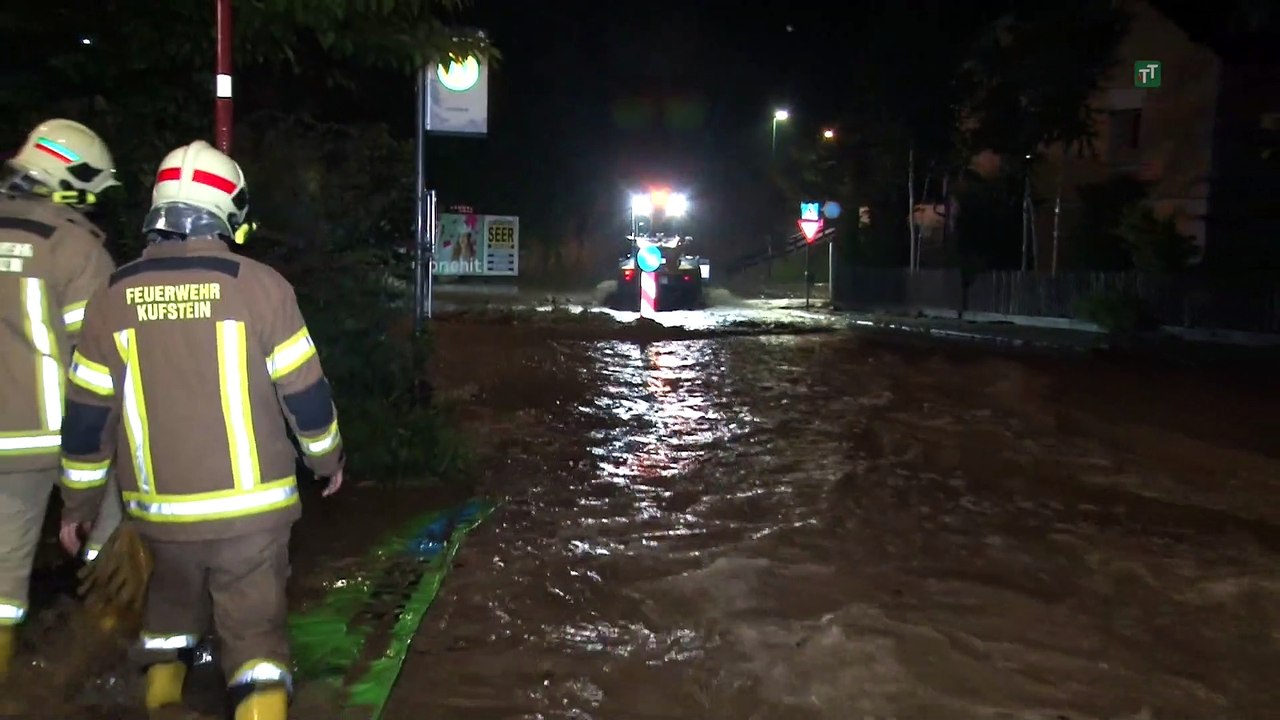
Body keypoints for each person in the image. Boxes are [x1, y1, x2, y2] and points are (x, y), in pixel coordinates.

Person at [57, 139, 345, 720]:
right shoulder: (263, 288)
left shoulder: (111, 299)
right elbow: (306, 397)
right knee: (257, 651)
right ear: (228, 211)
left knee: (166, 629)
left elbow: (88, 421)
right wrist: (328, 462)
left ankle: (162, 701)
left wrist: (77, 505)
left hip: (159, 521)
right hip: (251, 521)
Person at [0, 118, 126, 678]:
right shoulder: (76, 248)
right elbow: (101, 358)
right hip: (68, 435)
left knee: (2, 584)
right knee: (115, 547)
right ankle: (99, 666)